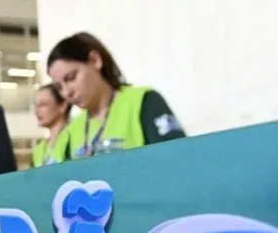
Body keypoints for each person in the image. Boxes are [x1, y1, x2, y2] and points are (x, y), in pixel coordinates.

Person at [47, 32, 186, 158]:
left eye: (71, 78)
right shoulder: (71, 132)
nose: (67, 93)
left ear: (95, 60)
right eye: (59, 87)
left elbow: (179, 160)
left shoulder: (143, 102)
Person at [31, 84, 72, 167]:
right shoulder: (39, 149)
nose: (37, 111)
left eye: (43, 104)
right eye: (36, 105)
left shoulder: (72, 137)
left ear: (62, 106)